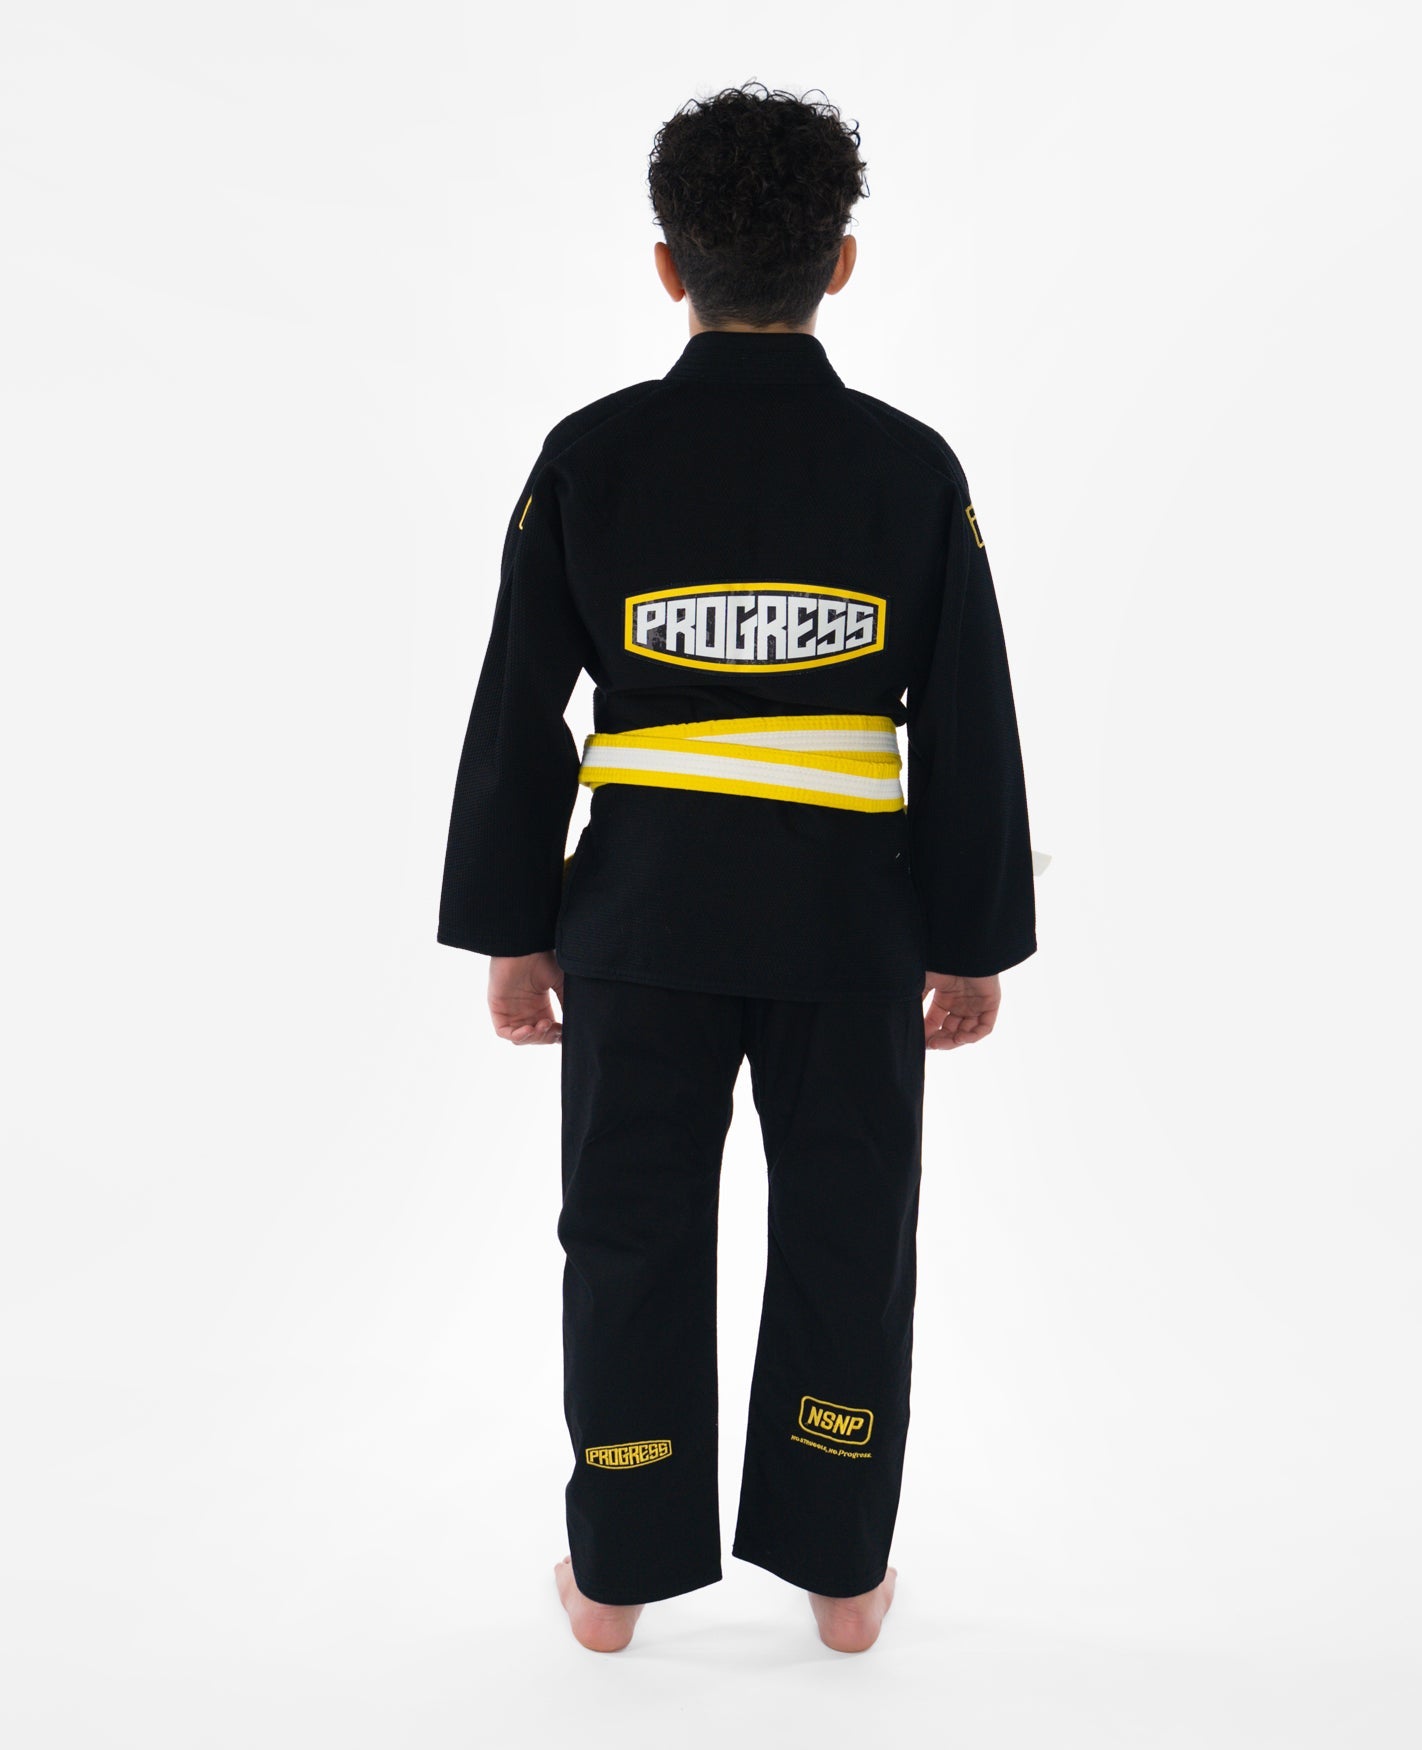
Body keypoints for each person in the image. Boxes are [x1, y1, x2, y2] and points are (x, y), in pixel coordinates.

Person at [437, 81, 1038, 1656]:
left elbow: (519, 706)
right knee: (850, 1230)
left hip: (637, 924)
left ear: (667, 266)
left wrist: (514, 929)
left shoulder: (591, 456)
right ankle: (843, 1576)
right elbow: (965, 717)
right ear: (841, 263)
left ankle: (614, 1576)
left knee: (626, 1230)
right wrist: (971, 937)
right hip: (851, 928)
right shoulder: (909, 468)